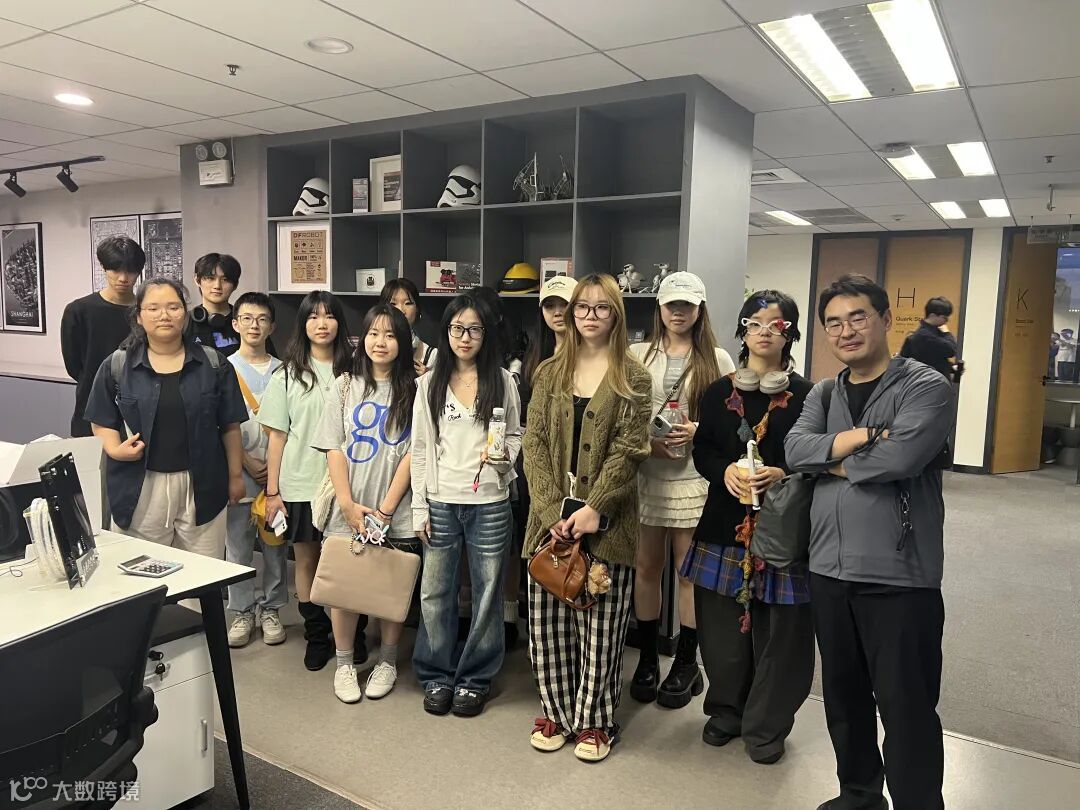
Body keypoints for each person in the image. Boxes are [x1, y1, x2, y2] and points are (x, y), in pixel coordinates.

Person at [785, 274, 954, 810]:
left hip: (898, 574)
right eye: (834, 322)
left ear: (885, 319)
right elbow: (794, 450)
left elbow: (901, 457)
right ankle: (858, 795)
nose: (846, 331)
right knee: (845, 698)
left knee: (907, 707)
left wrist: (828, 459)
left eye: (858, 317)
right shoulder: (824, 391)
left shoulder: (925, 386)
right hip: (828, 569)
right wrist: (863, 439)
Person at [523, 273, 652, 763]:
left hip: (608, 523)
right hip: (549, 524)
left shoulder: (633, 376)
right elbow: (534, 444)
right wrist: (549, 508)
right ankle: (556, 713)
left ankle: (596, 721)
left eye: (601, 308)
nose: (590, 316)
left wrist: (595, 507)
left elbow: (630, 449)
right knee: (547, 627)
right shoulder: (549, 372)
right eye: (582, 307)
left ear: (616, 314)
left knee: (600, 631)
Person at [684, 290, 814, 765]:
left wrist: (782, 473)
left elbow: (816, 457)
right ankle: (726, 712)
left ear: (789, 333)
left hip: (784, 532)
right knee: (721, 633)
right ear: (742, 330)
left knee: (782, 637)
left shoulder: (809, 396)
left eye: (776, 324)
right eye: (754, 323)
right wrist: (724, 471)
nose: (764, 332)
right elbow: (703, 450)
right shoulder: (717, 393)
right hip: (723, 526)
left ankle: (767, 727)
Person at [411, 293, 522, 718]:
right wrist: (419, 506)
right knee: (435, 591)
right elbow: (419, 449)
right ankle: (436, 673)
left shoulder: (503, 381)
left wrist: (504, 458)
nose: (465, 337)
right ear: (447, 331)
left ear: (486, 334)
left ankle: (475, 677)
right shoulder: (429, 383)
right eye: (457, 328)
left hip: (489, 501)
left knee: (487, 592)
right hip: (441, 500)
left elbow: (515, 435)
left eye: (474, 329)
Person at [628, 271, 735, 708]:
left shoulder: (718, 359)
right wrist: (647, 441)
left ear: (699, 309)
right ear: (660, 307)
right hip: (647, 474)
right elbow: (624, 413)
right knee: (646, 567)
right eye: (672, 304)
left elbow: (731, 423)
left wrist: (699, 429)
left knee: (687, 571)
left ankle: (687, 662)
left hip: (692, 477)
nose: (678, 312)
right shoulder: (638, 354)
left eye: (686, 305)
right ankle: (647, 658)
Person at [84, 277, 247, 555]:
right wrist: (115, 449)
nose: (164, 315)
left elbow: (230, 426)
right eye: (153, 308)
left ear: (185, 312)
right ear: (139, 316)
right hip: (140, 485)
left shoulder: (213, 364)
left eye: (173, 307)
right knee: (141, 569)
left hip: (203, 485)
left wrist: (235, 476)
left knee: (203, 573)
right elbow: (101, 419)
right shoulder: (118, 365)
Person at [312, 304, 418, 704]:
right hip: (350, 505)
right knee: (345, 585)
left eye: (390, 335)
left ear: (403, 342)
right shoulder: (344, 385)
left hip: (396, 508)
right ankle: (344, 664)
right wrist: (348, 504)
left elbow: (414, 453)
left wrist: (386, 510)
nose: (381, 342)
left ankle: (387, 660)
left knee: (390, 584)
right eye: (374, 333)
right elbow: (333, 447)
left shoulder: (418, 389)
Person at [258, 291, 361, 672]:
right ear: (302, 324)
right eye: (313, 316)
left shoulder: (357, 370)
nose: (322, 323)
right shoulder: (287, 375)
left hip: (347, 485)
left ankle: (352, 634)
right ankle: (317, 635)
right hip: (301, 481)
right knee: (307, 560)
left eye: (329, 316)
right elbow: (277, 437)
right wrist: (273, 492)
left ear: (339, 323)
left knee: (349, 562)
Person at [224, 293, 288, 648]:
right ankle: (242, 611)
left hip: (278, 475)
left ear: (272, 327)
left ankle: (272, 608)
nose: (254, 325)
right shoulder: (223, 369)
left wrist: (274, 469)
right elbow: (221, 423)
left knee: (276, 543)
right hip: (239, 471)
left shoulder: (285, 370)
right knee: (238, 545)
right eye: (247, 318)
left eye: (262, 319)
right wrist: (247, 462)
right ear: (235, 324)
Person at [61, 236, 145, 437]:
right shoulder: (79, 310)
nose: (123, 278)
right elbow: (74, 366)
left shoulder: (147, 311)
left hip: (140, 405)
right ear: (104, 268)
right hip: (92, 405)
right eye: (115, 270)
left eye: (130, 271)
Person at [187, 253, 277, 357]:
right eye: (210, 278)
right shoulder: (185, 322)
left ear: (235, 284)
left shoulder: (247, 320)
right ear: (197, 280)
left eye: (225, 280)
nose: (217, 286)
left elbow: (267, 360)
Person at [381, 278, 436, 376]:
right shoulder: (371, 349)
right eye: (393, 304)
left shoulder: (431, 355)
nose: (401, 310)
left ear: (417, 309)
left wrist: (426, 379)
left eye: (408, 303)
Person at [899, 296, 961, 382]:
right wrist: (946, 332)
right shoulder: (925, 336)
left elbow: (934, 359)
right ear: (932, 315)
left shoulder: (931, 333)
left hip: (930, 381)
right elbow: (951, 350)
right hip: (929, 384)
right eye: (945, 317)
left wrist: (951, 367)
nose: (947, 321)